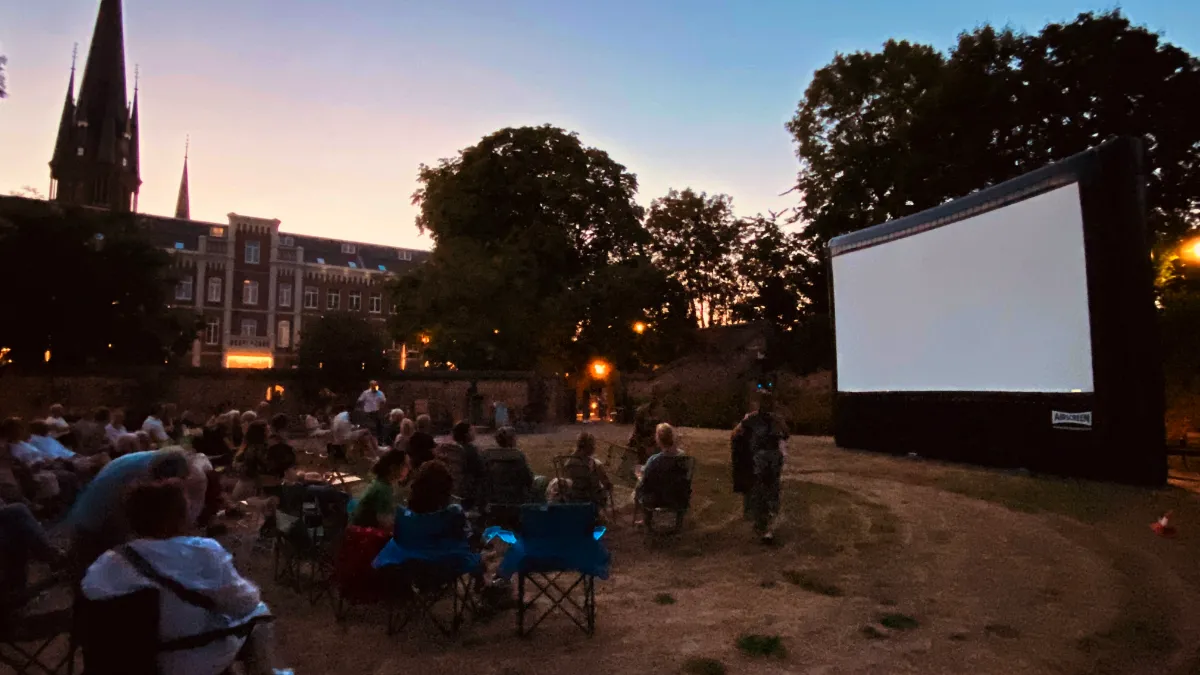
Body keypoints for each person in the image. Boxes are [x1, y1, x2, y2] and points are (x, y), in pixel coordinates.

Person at [80, 478, 278, 675]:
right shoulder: (203, 552)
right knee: (260, 612)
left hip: (125, 664)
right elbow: (246, 603)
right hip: (185, 659)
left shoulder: (107, 561)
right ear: (178, 517)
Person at [66, 449, 198, 571]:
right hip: (95, 524)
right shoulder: (139, 479)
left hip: (86, 515)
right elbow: (125, 515)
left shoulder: (151, 459)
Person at [731, 391, 790, 543]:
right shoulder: (776, 419)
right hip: (774, 457)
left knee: (760, 489)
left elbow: (735, 434)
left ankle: (762, 522)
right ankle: (769, 522)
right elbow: (786, 433)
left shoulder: (752, 418)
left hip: (759, 458)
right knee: (772, 488)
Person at [634, 423, 684, 526]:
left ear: (658, 439)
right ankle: (678, 521)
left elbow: (645, 479)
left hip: (657, 498)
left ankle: (646, 519)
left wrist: (639, 476)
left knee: (639, 487)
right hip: (676, 496)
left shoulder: (655, 460)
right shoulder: (682, 456)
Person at [350, 449, 409, 529]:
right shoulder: (383, 489)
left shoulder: (380, 482)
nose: (409, 468)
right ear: (393, 468)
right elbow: (385, 524)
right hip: (363, 534)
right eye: (405, 465)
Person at [480, 426, 535, 508]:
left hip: (493, 499)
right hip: (516, 500)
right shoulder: (517, 455)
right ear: (511, 440)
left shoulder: (487, 455)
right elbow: (528, 479)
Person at [562, 431, 613, 510]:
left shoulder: (568, 462)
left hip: (571, 500)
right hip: (590, 500)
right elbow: (607, 484)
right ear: (589, 447)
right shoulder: (595, 464)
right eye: (593, 445)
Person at [448, 421, 485, 511]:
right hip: (469, 490)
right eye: (471, 430)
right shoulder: (471, 450)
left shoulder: (453, 448)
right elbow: (480, 470)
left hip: (455, 489)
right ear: (466, 434)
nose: (474, 432)